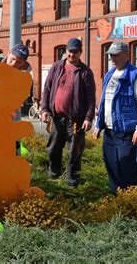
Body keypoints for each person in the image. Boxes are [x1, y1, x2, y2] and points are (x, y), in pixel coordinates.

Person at [93, 41, 137, 194]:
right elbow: (104, 101)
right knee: (112, 167)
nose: (113, 58)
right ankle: (118, 201)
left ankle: (136, 202)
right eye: (111, 55)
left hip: (128, 133)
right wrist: (98, 125)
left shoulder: (136, 76)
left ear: (126, 55)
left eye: (116, 55)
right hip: (110, 132)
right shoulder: (109, 74)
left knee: (128, 168)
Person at [41, 38, 96, 188]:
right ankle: (54, 176)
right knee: (53, 149)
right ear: (66, 51)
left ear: (80, 53)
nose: (72, 54)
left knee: (75, 153)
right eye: (70, 51)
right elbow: (46, 89)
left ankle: (72, 181)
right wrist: (45, 109)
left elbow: (91, 98)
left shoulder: (85, 72)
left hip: (76, 121)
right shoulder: (57, 67)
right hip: (57, 119)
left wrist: (88, 118)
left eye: (75, 52)